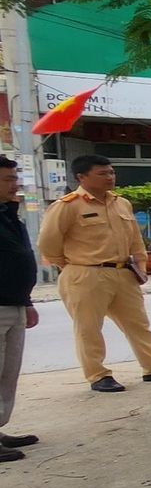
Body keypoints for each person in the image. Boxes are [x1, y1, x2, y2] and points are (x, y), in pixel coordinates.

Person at [36, 155, 151, 392]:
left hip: (123, 273)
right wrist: (73, 266)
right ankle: (98, 375)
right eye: (102, 173)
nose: (110, 178)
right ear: (82, 176)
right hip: (86, 274)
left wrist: (140, 267)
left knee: (138, 324)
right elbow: (48, 244)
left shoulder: (121, 203)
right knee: (88, 328)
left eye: (111, 172)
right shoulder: (67, 206)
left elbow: (135, 241)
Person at [0, 157, 41, 462]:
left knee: (7, 372)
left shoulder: (9, 215)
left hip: (13, 301)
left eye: (14, 178)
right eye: (7, 180)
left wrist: (26, 301)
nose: (15, 184)